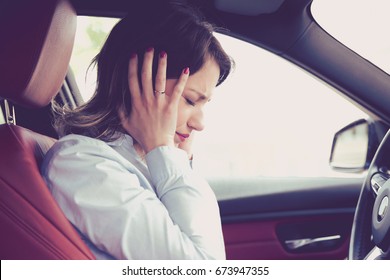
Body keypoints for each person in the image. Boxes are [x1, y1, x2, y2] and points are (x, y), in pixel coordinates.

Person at [41, 0, 233, 260]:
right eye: (190, 100)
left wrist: (172, 159)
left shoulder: (140, 163)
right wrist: (165, 152)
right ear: (139, 84)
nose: (200, 123)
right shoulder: (82, 166)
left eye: (203, 104)